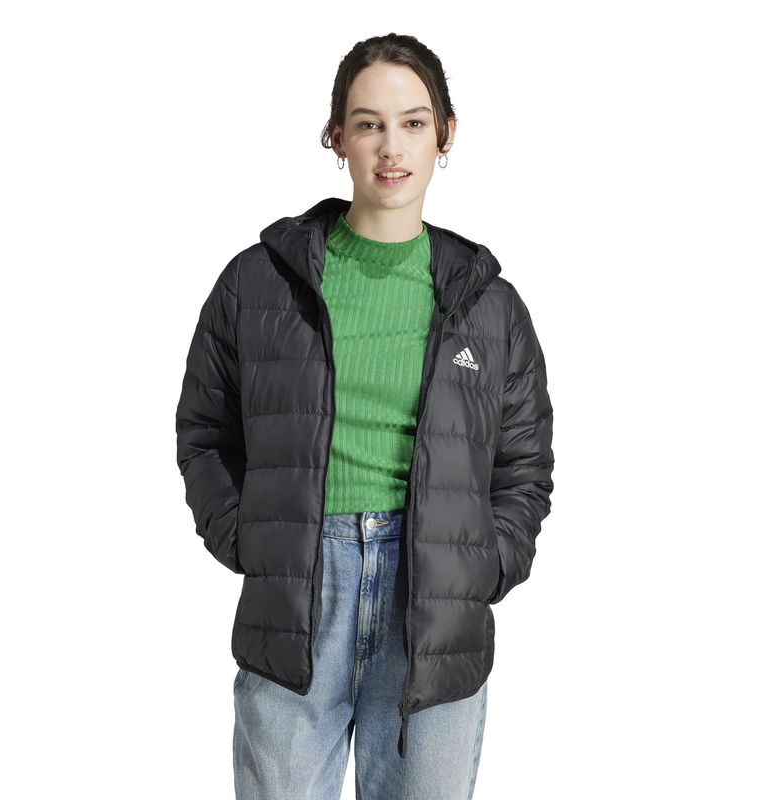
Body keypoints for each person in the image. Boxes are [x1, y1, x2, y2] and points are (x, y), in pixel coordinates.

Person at [175, 32, 555, 800]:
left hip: (434, 608)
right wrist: (250, 539)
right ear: (337, 137)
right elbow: (204, 432)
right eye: (368, 123)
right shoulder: (259, 282)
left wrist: (484, 564)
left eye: (413, 123)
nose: (391, 147)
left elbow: (524, 466)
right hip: (299, 598)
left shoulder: (490, 304)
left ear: (445, 135)